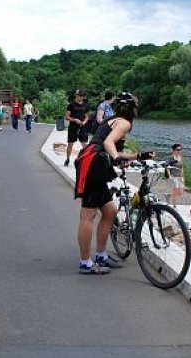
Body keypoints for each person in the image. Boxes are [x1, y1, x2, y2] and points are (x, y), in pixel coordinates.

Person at [74, 92, 154, 274]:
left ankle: (101, 255)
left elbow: (109, 146)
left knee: (110, 211)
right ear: (132, 108)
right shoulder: (124, 123)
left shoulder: (114, 120)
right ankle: (85, 263)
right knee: (88, 216)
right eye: (136, 106)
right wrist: (116, 157)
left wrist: (138, 156)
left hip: (97, 162)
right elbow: (109, 143)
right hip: (94, 164)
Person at [63, 89, 90, 166]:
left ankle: (84, 160)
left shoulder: (86, 105)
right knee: (70, 144)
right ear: (76, 95)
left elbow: (87, 116)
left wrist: (84, 121)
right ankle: (67, 159)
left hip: (83, 126)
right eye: (79, 96)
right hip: (73, 126)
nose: (81, 97)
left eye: (82, 96)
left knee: (84, 144)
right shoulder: (71, 105)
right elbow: (66, 117)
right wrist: (75, 120)